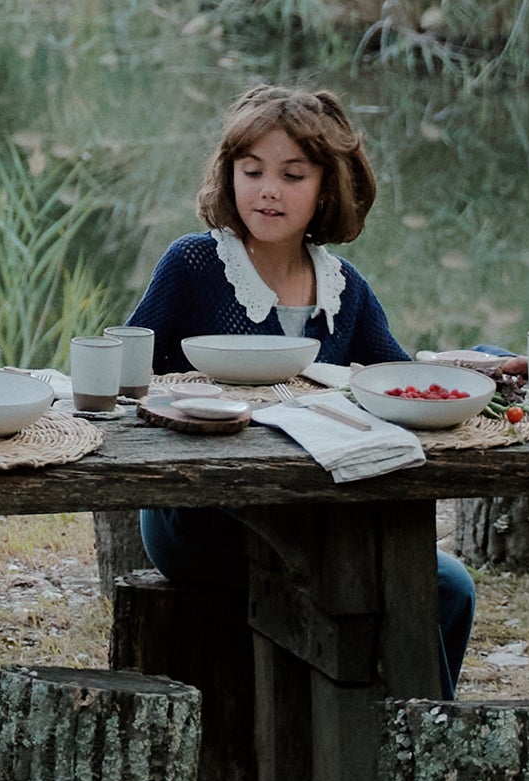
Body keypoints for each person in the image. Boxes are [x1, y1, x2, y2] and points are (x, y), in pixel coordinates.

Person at [124, 84, 477, 693]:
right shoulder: (195, 265)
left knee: (450, 587)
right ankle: (377, 744)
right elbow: (129, 375)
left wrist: (477, 370)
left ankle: (413, 744)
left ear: (326, 188)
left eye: (292, 175)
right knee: (361, 583)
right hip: (202, 516)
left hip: (313, 509)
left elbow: (394, 384)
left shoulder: (344, 288)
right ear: (228, 175)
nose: (268, 189)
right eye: (251, 170)